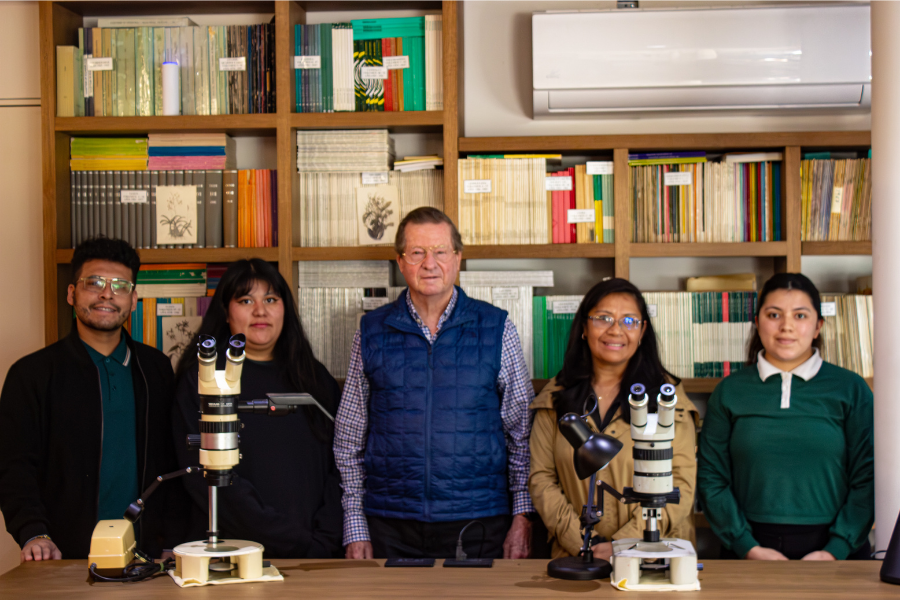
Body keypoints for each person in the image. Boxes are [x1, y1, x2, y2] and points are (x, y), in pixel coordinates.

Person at [335, 207, 536, 560]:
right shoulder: (371, 332)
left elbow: (522, 434)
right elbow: (349, 439)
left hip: (479, 521)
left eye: (441, 252)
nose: (430, 263)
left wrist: (522, 516)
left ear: (457, 259)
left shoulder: (496, 328)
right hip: (389, 522)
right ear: (400, 262)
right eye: (417, 252)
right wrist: (354, 523)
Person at [0, 237, 186, 561]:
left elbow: (171, 461)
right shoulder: (32, 374)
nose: (107, 293)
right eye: (94, 282)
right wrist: (33, 531)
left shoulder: (155, 370)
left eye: (120, 285)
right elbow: (14, 466)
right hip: (63, 556)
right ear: (72, 294)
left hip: (147, 556)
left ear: (133, 299)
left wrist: (173, 538)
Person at [173, 259, 343, 558]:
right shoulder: (204, 380)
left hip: (317, 555)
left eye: (271, 299)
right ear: (226, 311)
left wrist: (324, 538)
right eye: (245, 300)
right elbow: (209, 480)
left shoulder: (315, 380)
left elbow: (341, 465)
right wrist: (292, 541)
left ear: (285, 309)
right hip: (233, 554)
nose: (260, 310)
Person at [698, 273, 874, 561]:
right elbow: (711, 477)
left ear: (818, 326)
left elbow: (868, 476)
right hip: (747, 548)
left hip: (837, 551)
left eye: (800, 315)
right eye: (774, 314)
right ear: (757, 322)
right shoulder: (730, 391)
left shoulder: (851, 388)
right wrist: (746, 546)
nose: (786, 326)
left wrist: (836, 550)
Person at [529, 278, 698, 561]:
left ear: (643, 330)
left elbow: (681, 482)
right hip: (576, 558)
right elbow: (542, 479)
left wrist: (622, 545)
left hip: (653, 555)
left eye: (629, 320)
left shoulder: (668, 400)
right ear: (584, 326)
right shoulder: (554, 397)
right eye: (603, 318)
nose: (615, 330)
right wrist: (584, 542)